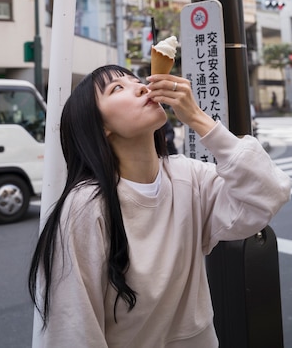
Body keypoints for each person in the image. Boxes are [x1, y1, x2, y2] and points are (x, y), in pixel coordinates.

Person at [29, 65, 291, 347]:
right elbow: (73, 330)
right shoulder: (85, 206)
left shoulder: (187, 178)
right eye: (117, 88)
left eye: (136, 81)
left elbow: (269, 194)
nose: (142, 87)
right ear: (101, 127)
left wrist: (200, 120)